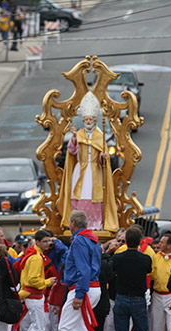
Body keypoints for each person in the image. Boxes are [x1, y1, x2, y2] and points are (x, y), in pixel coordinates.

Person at [58, 91, 118, 232]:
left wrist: (104, 157)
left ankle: (95, 224)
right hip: (80, 170)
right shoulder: (78, 135)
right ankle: (76, 224)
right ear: (84, 121)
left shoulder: (100, 136)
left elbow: (104, 156)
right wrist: (73, 138)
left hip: (95, 170)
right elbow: (72, 151)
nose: (89, 122)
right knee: (79, 195)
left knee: (94, 196)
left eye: (91, 119)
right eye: (86, 120)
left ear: (95, 121)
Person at [58, 210, 106, 331]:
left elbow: (84, 269)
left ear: (73, 224)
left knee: (65, 328)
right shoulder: (93, 240)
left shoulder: (79, 241)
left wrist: (79, 294)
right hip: (91, 287)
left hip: (82, 288)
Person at [112, 227, 156, 331]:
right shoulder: (145, 259)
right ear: (139, 242)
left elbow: (114, 269)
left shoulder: (118, 258)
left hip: (122, 297)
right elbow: (149, 270)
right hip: (138, 299)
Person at [13, 229, 55, 331]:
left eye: (49, 241)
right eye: (45, 241)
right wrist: (48, 282)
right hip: (34, 295)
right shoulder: (36, 257)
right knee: (38, 328)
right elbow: (33, 280)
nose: (48, 244)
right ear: (37, 242)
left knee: (35, 326)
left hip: (30, 295)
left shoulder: (32, 254)